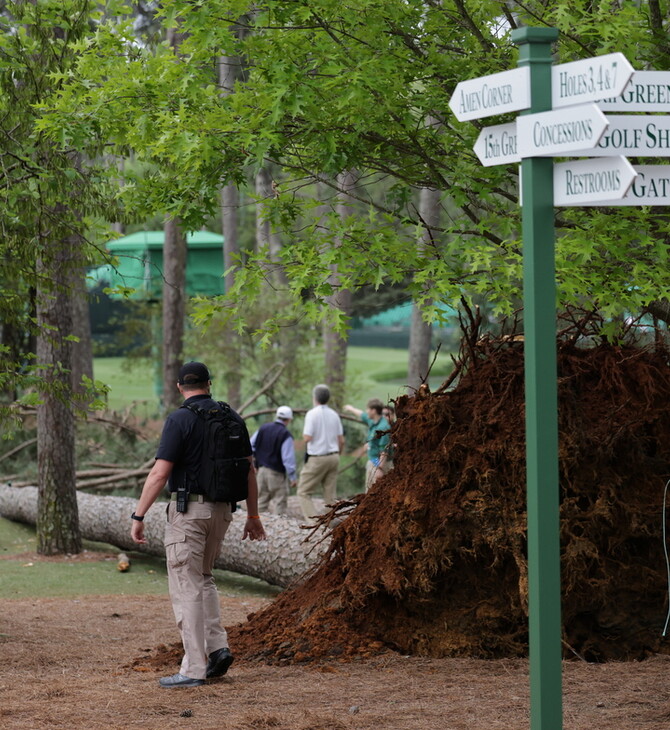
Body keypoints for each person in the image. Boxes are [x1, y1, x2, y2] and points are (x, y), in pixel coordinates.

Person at [130, 361, 266, 689]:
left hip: (188, 512)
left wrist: (138, 515)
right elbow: (250, 471)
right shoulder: (232, 417)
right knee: (204, 579)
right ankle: (217, 649)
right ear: (208, 383)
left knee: (186, 585)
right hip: (223, 512)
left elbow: (160, 473)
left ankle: (193, 668)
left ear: (180, 387)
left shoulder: (180, 419)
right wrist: (252, 516)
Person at [296, 384, 344, 520]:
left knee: (303, 492)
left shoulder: (312, 414)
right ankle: (331, 520)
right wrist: (338, 453)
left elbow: (307, 437)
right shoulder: (334, 414)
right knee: (330, 493)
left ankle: (312, 522)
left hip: (318, 457)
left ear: (314, 397)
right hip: (334, 456)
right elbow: (341, 439)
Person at [250, 405, 297, 515]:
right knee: (279, 502)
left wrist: (254, 464)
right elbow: (288, 459)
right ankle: (278, 528)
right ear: (289, 419)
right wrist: (292, 477)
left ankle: (257, 527)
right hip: (276, 474)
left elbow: (251, 445)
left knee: (261, 502)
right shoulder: (285, 435)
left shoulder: (263, 428)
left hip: (261, 471)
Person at [344, 398, 391, 492]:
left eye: (368, 409)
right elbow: (362, 414)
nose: (367, 411)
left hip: (378, 463)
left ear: (373, 411)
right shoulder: (373, 421)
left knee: (375, 492)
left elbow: (384, 451)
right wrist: (351, 409)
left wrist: (379, 468)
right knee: (368, 491)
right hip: (373, 460)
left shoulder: (383, 427)